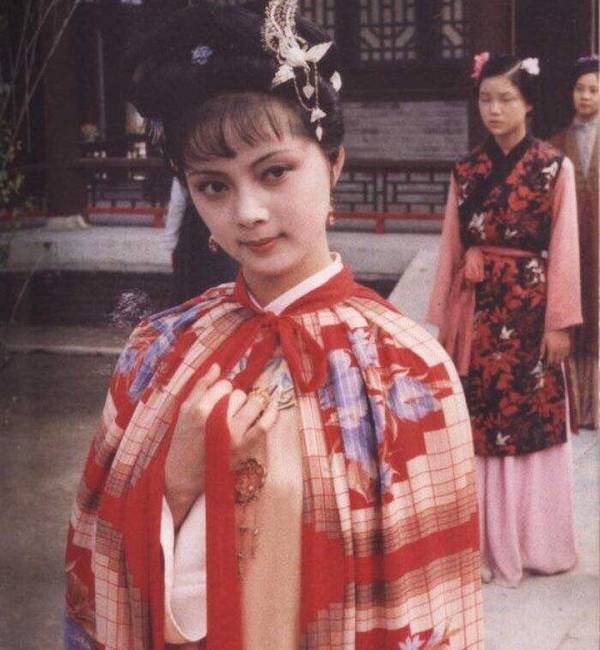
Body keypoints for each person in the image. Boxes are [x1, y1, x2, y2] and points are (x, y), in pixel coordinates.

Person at [65, 2, 483, 648]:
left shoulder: (410, 367)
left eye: (274, 172)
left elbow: (430, 600)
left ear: (334, 163)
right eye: (213, 186)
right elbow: (96, 563)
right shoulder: (158, 349)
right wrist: (174, 481)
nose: (248, 212)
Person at [428, 52, 583, 588]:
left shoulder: (553, 166)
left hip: (531, 306)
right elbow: (451, 249)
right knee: (477, 419)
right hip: (476, 309)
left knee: (529, 419)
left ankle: (532, 542)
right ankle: (480, 542)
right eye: (485, 99)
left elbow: (564, 248)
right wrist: (444, 321)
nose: (493, 109)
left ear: (528, 104)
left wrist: (560, 322)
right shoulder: (466, 170)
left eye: (506, 99)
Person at [550, 55, 599, 430]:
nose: (586, 96)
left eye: (594, 90)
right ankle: (575, 410)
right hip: (570, 244)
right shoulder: (555, 145)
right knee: (574, 313)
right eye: (580, 89)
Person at [163, 177, 237, 305]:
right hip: (221, 224)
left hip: (195, 228)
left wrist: (170, 241)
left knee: (192, 282)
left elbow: (177, 204)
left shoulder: (187, 170)